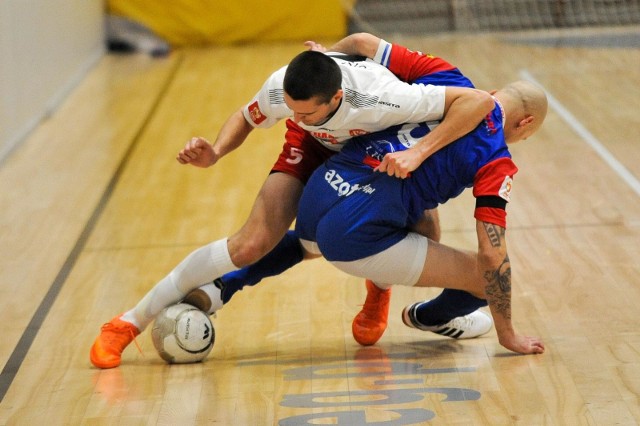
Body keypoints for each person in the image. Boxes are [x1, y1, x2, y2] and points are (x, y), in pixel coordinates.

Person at [90, 35, 494, 368]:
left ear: (337, 98)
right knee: (251, 242)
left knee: (422, 226)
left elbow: (477, 101)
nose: (294, 117)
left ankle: (379, 294)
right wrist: (215, 151)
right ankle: (127, 323)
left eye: (306, 112)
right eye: (291, 110)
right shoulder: (286, 89)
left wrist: (419, 153)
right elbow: (247, 117)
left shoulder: (385, 96)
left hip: (371, 150)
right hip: (315, 149)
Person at [295, 79, 548, 354]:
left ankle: (379, 289)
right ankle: (428, 317)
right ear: (525, 123)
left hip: (327, 185)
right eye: (525, 136)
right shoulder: (496, 159)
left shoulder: (449, 84)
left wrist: (322, 55)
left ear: (495, 92)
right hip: (358, 234)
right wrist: (508, 333)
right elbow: (491, 255)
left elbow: (365, 45)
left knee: (428, 227)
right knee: (489, 277)